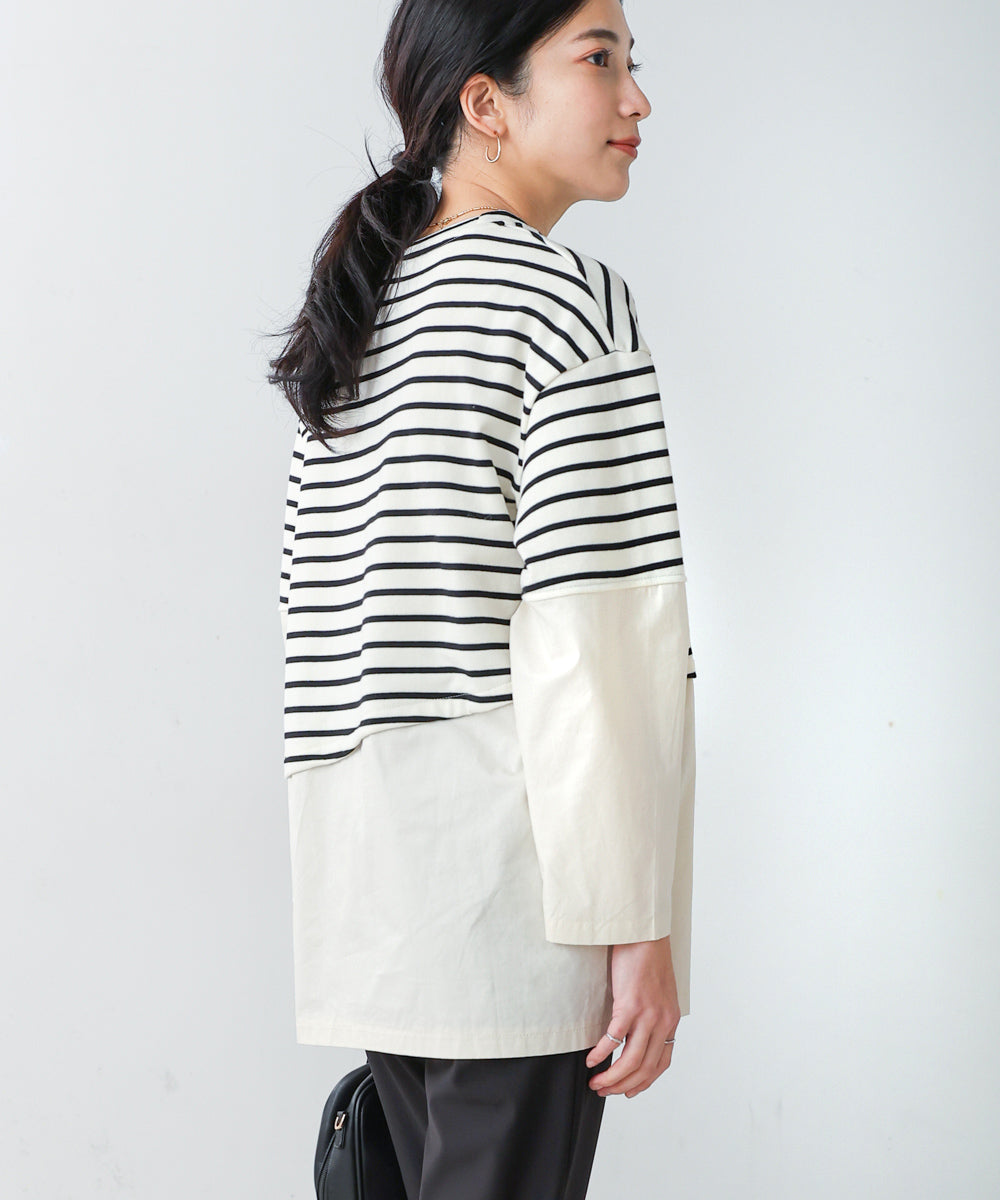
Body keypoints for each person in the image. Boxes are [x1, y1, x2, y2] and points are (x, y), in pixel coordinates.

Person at [267, 0, 697, 1196]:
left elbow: (324, 640)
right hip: (520, 906)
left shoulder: (356, 318)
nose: (636, 98)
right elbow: (597, 642)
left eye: (632, 62)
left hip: (379, 906)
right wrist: (637, 923)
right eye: (598, 59)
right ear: (485, 102)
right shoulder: (563, 303)